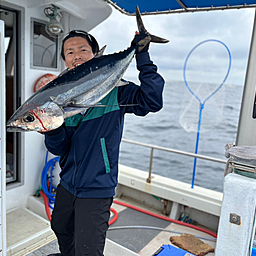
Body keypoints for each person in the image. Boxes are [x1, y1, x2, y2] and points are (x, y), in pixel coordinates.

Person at [45, 29, 165, 256]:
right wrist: (51, 128)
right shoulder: (59, 96)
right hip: (68, 183)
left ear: (95, 56)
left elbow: (152, 100)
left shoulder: (116, 91)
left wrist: (142, 57)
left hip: (97, 188)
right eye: (69, 52)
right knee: (61, 227)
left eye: (83, 50)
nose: (76, 55)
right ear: (64, 60)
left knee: (88, 249)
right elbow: (59, 148)